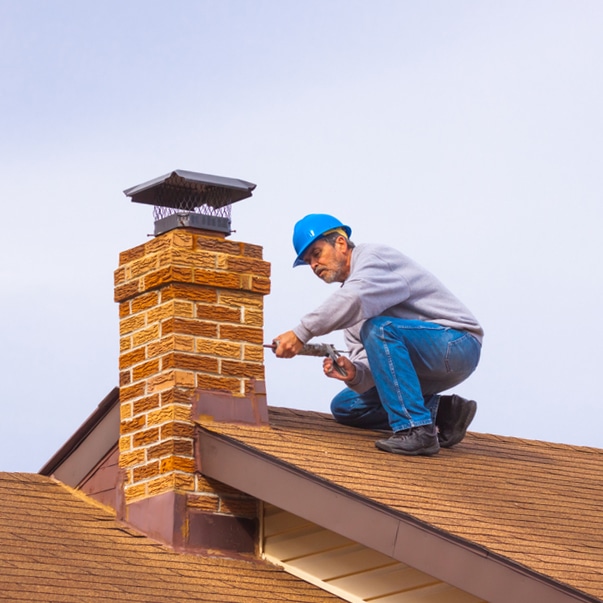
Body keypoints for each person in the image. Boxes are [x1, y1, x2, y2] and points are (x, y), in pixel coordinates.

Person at [273, 214, 483, 456]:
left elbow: (356, 297)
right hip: (420, 368)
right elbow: (373, 365)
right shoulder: (351, 312)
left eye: (316, 253)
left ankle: (416, 430)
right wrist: (356, 374)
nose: (314, 265)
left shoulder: (373, 258)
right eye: (308, 261)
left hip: (456, 344)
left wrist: (301, 333)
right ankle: (445, 412)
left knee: (379, 329)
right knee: (346, 405)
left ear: (340, 243)